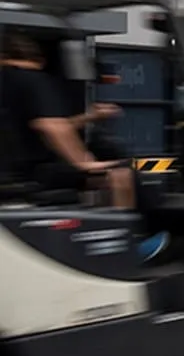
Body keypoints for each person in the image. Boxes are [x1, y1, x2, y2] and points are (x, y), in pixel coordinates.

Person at [0, 30, 169, 262]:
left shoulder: (6, 81)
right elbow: (52, 127)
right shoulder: (31, 79)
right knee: (121, 173)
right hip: (33, 172)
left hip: (12, 172)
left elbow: (48, 123)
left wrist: (89, 118)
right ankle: (127, 246)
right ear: (36, 57)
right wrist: (84, 163)